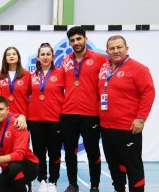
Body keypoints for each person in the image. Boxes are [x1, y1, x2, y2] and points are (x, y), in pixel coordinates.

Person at [98, 35, 155, 192]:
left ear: (126, 48)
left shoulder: (139, 69)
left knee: (133, 168)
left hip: (128, 128)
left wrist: (141, 118)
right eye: (112, 48)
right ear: (107, 51)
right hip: (107, 127)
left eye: (119, 47)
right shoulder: (105, 68)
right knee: (115, 166)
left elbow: (148, 93)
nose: (116, 51)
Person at [59, 26, 107, 192]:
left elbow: (106, 85)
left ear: (85, 39)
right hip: (68, 114)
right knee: (70, 153)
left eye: (79, 39)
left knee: (93, 152)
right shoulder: (65, 60)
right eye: (72, 40)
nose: (76, 43)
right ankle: (73, 184)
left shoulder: (100, 59)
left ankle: (94, 186)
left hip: (90, 114)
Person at [0, 96, 39, 192]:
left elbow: (19, 155)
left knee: (14, 168)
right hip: (7, 167)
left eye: (0, 109)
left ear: (7, 110)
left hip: (28, 165)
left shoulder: (18, 124)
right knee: (0, 188)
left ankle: (25, 186)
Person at [27, 43, 65, 192]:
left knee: (55, 153)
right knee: (39, 153)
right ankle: (42, 179)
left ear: (53, 56)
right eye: (42, 54)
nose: (45, 57)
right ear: (37, 57)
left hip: (55, 120)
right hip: (35, 120)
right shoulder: (32, 76)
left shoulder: (61, 73)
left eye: (48, 54)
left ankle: (53, 181)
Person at [0, 46, 31, 117]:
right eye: (8, 55)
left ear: (18, 57)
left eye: (14, 54)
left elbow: (31, 94)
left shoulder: (27, 75)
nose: (11, 56)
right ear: (5, 58)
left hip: (21, 116)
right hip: (3, 116)